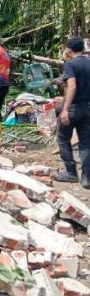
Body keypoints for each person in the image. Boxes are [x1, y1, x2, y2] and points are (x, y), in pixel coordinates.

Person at [53, 37, 90, 188]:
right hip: (88, 108)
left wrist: (65, 109)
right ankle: (87, 178)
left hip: (73, 108)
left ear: (69, 49)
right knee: (86, 143)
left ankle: (71, 173)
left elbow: (72, 86)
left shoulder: (70, 64)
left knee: (63, 138)